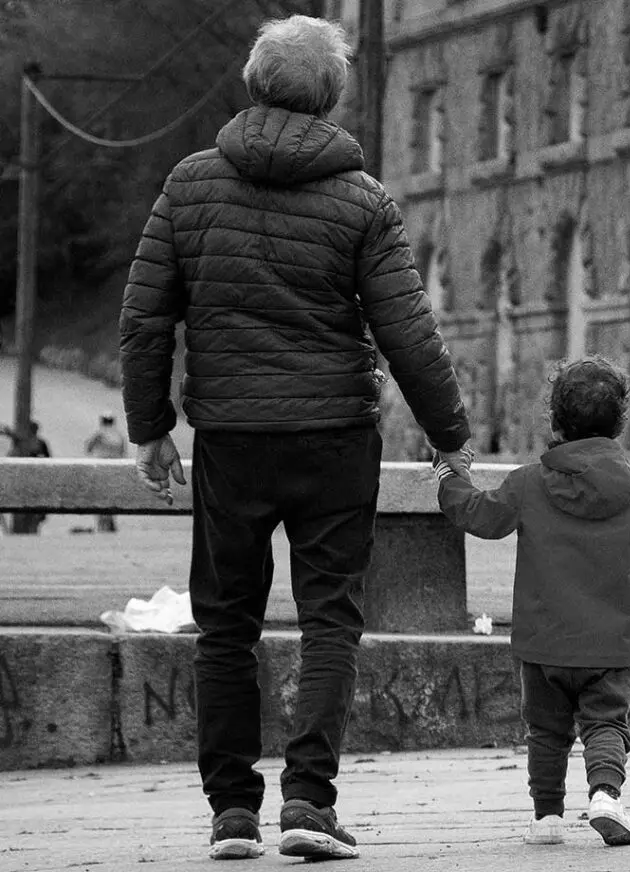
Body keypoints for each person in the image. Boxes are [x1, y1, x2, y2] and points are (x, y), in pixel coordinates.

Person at [119, 15, 472, 862]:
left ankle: (231, 813)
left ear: (253, 82)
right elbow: (407, 330)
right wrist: (449, 436)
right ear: (332, 97)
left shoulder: (191, 184)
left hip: (232, 437)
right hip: (332, 440)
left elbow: (145, 318)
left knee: (225, 625)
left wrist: (151, 428)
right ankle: (309, 803)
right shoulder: (362, 201)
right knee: (329, 624)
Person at [433, 356, 630, 848]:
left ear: (556, 421)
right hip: (609, 643)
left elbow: (481, 516)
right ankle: (605, 794)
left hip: (542, 644)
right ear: (620, 423)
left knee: (545, 731)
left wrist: (449, 480)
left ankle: (546, 818)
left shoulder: (529, 483)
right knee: (606, 722)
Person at [1, 420, 51, 534]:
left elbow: (47, 460)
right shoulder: (27, 442)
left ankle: (28, 531)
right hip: (26, 480)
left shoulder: (37, 443)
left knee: (33, 512)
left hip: (33, 480)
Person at [84, 411, 127, 532]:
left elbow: (88, 449)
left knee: (99, 496)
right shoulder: (119, 436)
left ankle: (102, 523)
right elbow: (123, 453)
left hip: (100, 469)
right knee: (111, 495)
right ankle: (109, 520)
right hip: (114, 469)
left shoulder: (98, 434)